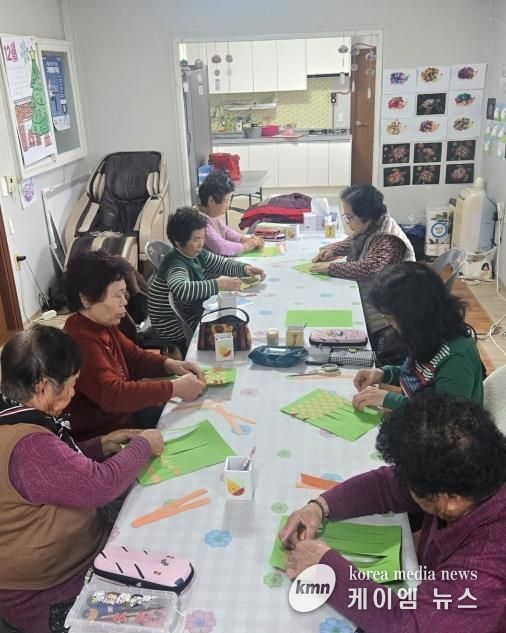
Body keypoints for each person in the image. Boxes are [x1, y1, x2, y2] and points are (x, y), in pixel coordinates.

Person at [280, 393, 506, 633]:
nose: (401, 482)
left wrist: (327, 570)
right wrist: (319, 506)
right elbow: (386, 485)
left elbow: (408, 624)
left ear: (451, 501)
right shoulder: (464, 475)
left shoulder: (487, 564)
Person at [0, 325, 165, 633]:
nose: (74, 392)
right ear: (43, 387)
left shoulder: (11, 415)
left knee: (156, 545)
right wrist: (144, 445)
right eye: (71, 384)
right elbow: (100, 486)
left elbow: (50, 472)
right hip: (50, 596)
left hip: (58, 569)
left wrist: (100, 445)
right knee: (156, 611)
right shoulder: (29, 445)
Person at [63, 250, 205, 441]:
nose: (124, 302)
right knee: (192, 428)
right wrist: (174, 388)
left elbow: (134, 357)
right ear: (86, 299)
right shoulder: (79, 341)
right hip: (106, 435)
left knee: (197, 414)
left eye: (124, 293)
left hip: (126, 417)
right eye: (117, 295)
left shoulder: (103, 323)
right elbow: (113, 395)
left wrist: (171, 365)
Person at [351, 262, 484, 411]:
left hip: (440, 424)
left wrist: (388, 399)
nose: (388, 323)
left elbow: (445, 416)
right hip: (417, 419)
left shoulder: (457, 359)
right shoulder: (427, 333)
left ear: (414, 316)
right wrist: (384, 374)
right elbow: (418, 375)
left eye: (390, 317)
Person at [310, 185, 415, 360]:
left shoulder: (386, 238)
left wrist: (330, 268)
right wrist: (333, 250)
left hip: (391, 312)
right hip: (382, 296)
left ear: (365, 215)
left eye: (349, 217)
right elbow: (355, 242)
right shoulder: (372, 225)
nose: (347, 222)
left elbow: (367, 268)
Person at [148, 206, 265, 350]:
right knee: (230, 330)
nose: (201, 244)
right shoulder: (176, 263)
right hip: (172, 324)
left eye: (203, 238)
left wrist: (246, 269)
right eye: (196, 239)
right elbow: (183, 290)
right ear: (178, 242)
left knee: (232, 321)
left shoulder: (195, 253)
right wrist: (219, 284)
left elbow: (222, 264)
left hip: (188, 313)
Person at [196, 169, 264, 256]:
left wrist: (243, 239)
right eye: (227, 200)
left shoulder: (210, 214)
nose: (228, 206)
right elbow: (221, 247)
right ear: (211, 200)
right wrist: (246, 246)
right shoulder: (199, 222)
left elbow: (227, 232)